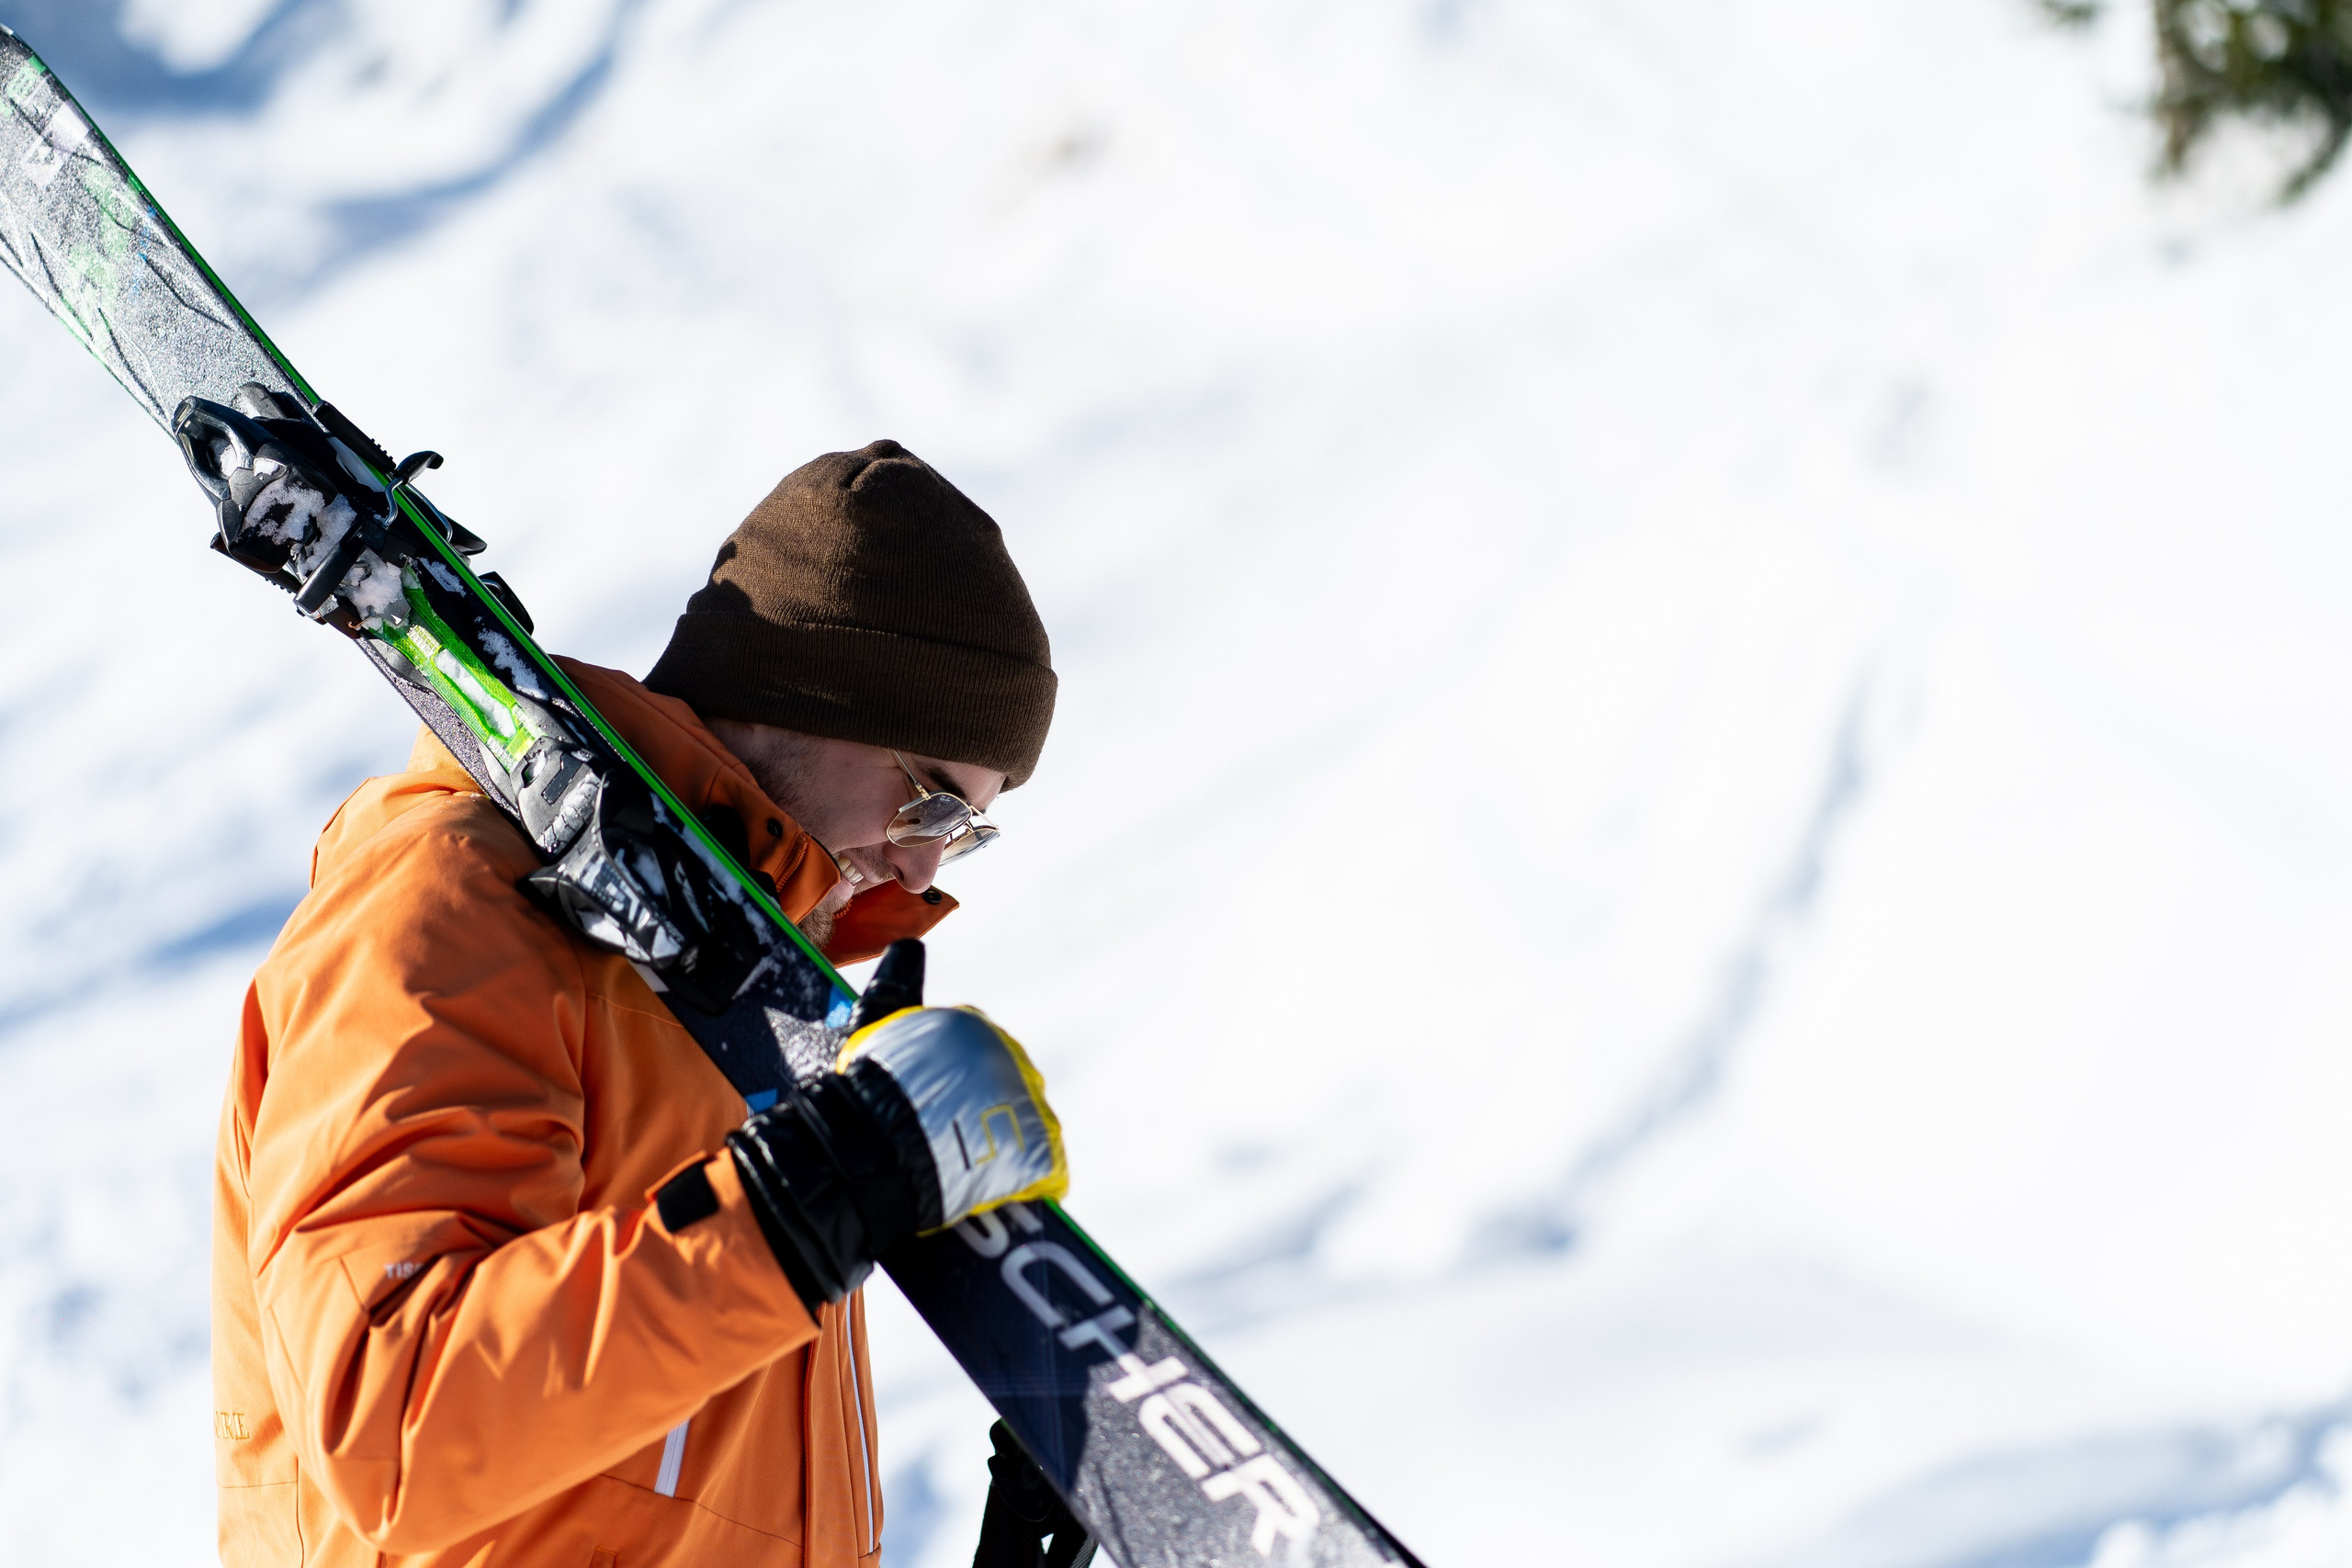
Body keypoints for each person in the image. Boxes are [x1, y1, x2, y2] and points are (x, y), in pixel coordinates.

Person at [211, 440, 1059, 1567]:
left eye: (966, 835)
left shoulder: (745, 1022)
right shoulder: (453, 908)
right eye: (930, 805)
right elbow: (391, 1415)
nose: (919, 875)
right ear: (802, 700)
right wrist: (802, 1207)